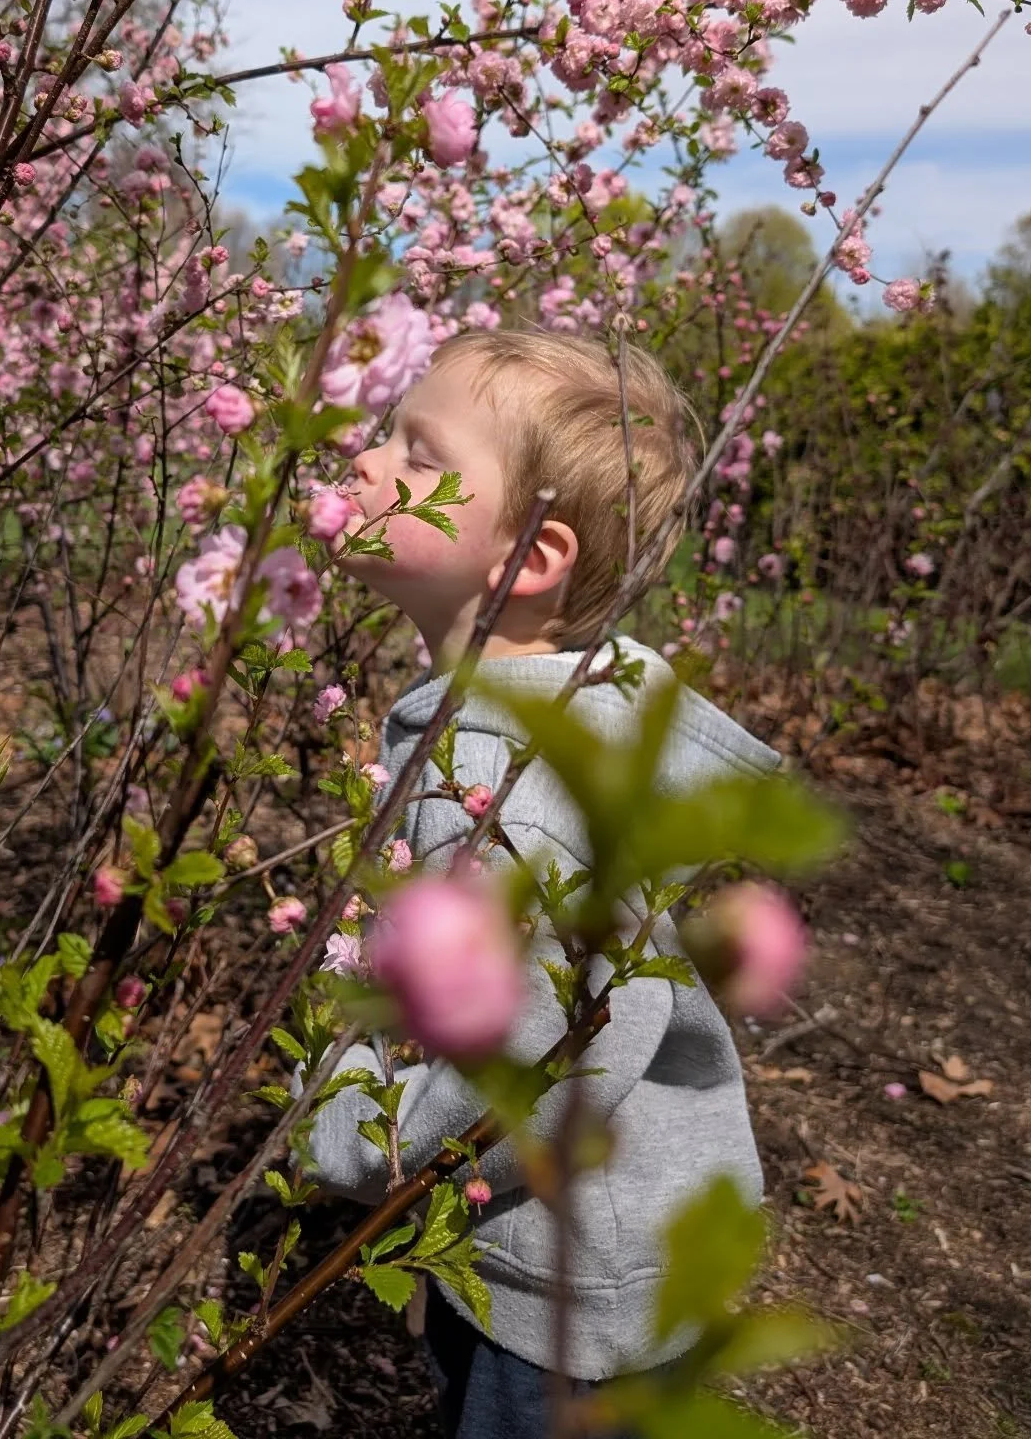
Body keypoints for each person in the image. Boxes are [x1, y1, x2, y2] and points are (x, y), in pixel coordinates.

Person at [299, 330, 779, 1439]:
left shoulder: (519, 792)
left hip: (573, 1294)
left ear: (530, 555)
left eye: (418, 454)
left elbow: (542, 1056)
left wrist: (356, 1135)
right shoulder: (509, 733)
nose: (365, 459)